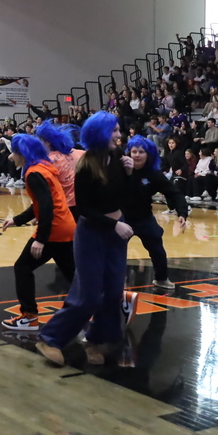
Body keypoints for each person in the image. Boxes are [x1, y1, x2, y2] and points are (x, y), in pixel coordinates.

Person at [36, 112, 134, 367]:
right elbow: (84, 209)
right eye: (114, 130)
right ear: (100, 134)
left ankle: (95, 340)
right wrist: (114, 224)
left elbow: (124, 197)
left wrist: (129, 174)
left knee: (113, 292)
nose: (119, 135)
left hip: (115, 233)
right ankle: (49, 338)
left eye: (118, 130)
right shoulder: (86, 166)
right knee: (88, 295)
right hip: (92, 233)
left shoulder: (117, 158)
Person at [1, 134, 77, 332]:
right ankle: (116, 301)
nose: (10, 157)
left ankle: (29, 316)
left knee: (22, 267)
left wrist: (41, 239)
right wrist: (17, 219)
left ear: (23, 153)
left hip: (54, 229)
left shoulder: (33, 173)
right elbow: (40, 203)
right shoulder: (44, 168)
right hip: (66, 225)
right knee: (74, 274)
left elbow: (46, 206)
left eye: (13, 152)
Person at [123, 136, 187, 290]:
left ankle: (161, 279)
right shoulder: (119, 171)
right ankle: (115, 279)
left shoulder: (154, 174)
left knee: (157, 250)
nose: (137, 155)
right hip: (122, 218)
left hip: (144, 217)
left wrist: (182, 213)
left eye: (141, 152)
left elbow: (174, 193)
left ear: (148, 154)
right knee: (115, 250)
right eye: (134, 151)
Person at [36, 121, 84, 218]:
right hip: (85, 204)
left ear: (47, 142)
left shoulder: (48, 162)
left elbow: (46, 193)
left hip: (65, 207)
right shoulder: (79, 153)